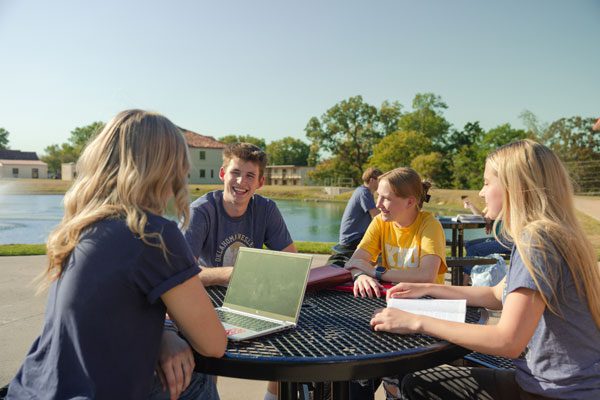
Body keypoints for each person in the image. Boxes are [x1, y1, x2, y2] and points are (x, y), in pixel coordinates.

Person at [7, 110, 227, 400]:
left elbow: (105, 318)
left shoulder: (80, 225)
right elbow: (213, 344)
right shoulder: (153, 234)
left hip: (30, 390)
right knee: (197, 376)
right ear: (166, 167)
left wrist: (161, 334)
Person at [371, 139, 600, 400]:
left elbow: (508, 341)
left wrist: (415, 321)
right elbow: (495, 294)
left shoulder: (537, 242)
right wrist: (427, 287)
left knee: (419, 385)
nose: (481, 193)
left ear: (515, 187)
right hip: (562, 384)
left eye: (487, 183)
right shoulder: (553, 234)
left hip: (556, 392)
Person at [154, 142, 296, 400]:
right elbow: (180, 275)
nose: (241, 181)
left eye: (250, 175)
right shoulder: (201, 212)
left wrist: (254, 275)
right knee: (208, 355)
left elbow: (290, 261)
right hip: (205, 298)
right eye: (235, 172)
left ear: (260, 182)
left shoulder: (266, 209)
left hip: (250, 297)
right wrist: (230, 274)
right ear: (222, 174)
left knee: (289, 337)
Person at [343, 167, 447, 400]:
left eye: (386, 198)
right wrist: (361, 275)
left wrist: (377, 271)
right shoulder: (381, 222)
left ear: (410, 201)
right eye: (377, 195)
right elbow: (355, 261)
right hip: (392, 310)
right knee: (356, 375)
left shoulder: (429, 225)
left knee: (400, 382)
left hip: (426, 315)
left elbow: (426, 275)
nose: (378, 203)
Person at [328, 167, 382, 267]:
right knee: (384, 243)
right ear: (372, 180)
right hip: (353, 237)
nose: (382, 183)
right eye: (380, 180)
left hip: (352, 236)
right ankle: (377, 273)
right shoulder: (364, 193)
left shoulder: (361, 190)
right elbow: (376, 215)